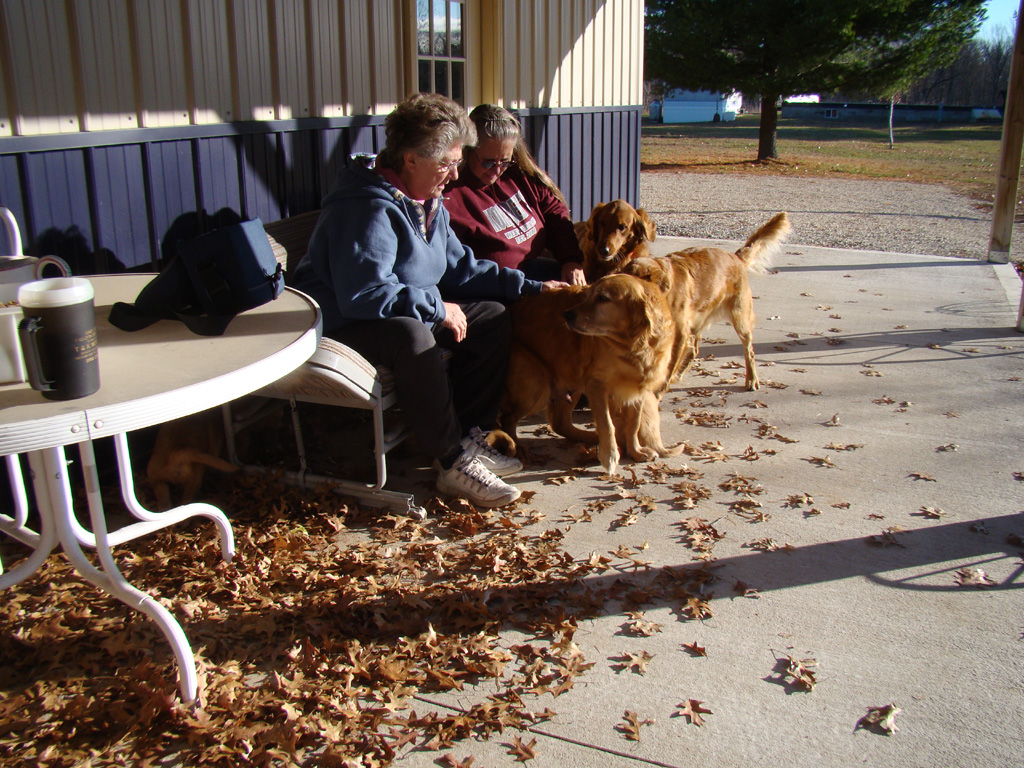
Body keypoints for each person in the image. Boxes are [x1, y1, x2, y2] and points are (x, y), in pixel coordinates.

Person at [289, 93, 564, 509]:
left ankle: (471, 436)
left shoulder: (426, 200)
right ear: (410, 159)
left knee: (490, 317)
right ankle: (452, 463)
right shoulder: (365, 209)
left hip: (392, 308)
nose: (454, 175)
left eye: (456, 161)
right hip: (342, 323)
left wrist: (532, 286)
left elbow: (462, 269)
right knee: (412, 334)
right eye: (447, 163)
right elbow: (365, 294)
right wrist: (438, 307)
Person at [444, 104, 586, 286]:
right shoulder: (452, 196)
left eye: (504, 162)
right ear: (467, 152)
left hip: (533, 269)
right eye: (488, 163)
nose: (496, 171)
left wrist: (570, 259)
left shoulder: (518, 174)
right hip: (495, 285)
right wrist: (529, 287)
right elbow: (459, 268)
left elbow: (553, 211)